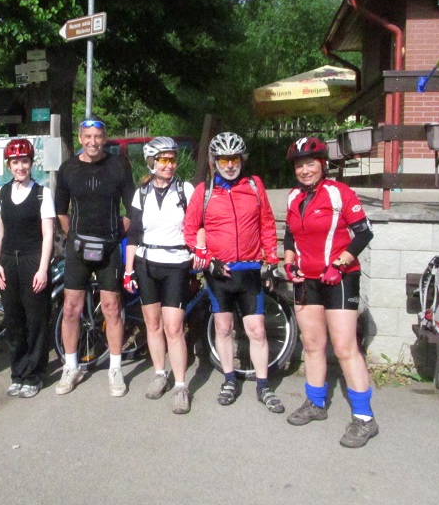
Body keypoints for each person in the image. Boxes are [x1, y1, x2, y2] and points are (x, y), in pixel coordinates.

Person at [283, 136, 377, 448]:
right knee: (312, 344)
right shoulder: (294, 196)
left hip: (340, 277)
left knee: (344, 347)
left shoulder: (339, 192)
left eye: (310, 163)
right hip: (306, 279)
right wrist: (288, 262)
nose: (305, 170)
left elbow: (364, 233)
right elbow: (289, 235)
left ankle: (364, 418)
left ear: (322, 164)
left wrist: (340, 263)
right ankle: (316, 403)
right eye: (299, 165)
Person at [183, 131, 283, 411]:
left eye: (235, 159)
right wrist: (208, 259)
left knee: (257, 330)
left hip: (250, 269)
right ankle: (229, 379)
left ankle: (263, 385)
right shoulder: (204, 192)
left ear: (242, 160)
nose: (229, 165)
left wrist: (271, 261)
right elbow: (189, 230)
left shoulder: (254, 185)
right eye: (224, 159)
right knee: (224, 328)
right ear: (214, 162)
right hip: (220, 272)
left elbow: (266, 223)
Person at [54, 115, 136, 396]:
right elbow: (60, 211)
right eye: (87, 136)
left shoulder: (119, 165)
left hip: (109, 247)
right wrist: (74, 237)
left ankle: (115, 369)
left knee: (112, 308)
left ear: (105, 138)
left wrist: (117, 234)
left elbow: (131, 208)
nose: (93, 142)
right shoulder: (68, 168)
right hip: (78, 248)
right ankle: (71, 367)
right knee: (71, 309)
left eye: (98, 137)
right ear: (80, 138)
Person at [123, 137, 195, 414]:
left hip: (176, 263)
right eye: (164, 160)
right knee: (152, 325)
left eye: (172, 160)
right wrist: (128, 270)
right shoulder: (141, 193)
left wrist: (199, 250)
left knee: (173, 327)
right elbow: (134, 233)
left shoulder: (185, 189)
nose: (169, 165)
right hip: (146, 263)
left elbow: (197, 224)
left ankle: (181, 385)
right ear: (151, 162)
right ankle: (159, 374)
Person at [0, 139, 55, 398]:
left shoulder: (42, 193)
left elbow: (48, 234)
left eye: (25, 161)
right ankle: (17, 372)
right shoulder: (3, 192)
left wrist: (43, 269)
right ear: (9, 165)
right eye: (15, 162)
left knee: (35, 320)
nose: (20, 167)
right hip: (8, 261)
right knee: (13, 319)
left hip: (32, 260)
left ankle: (34, 374)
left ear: (31, 163)